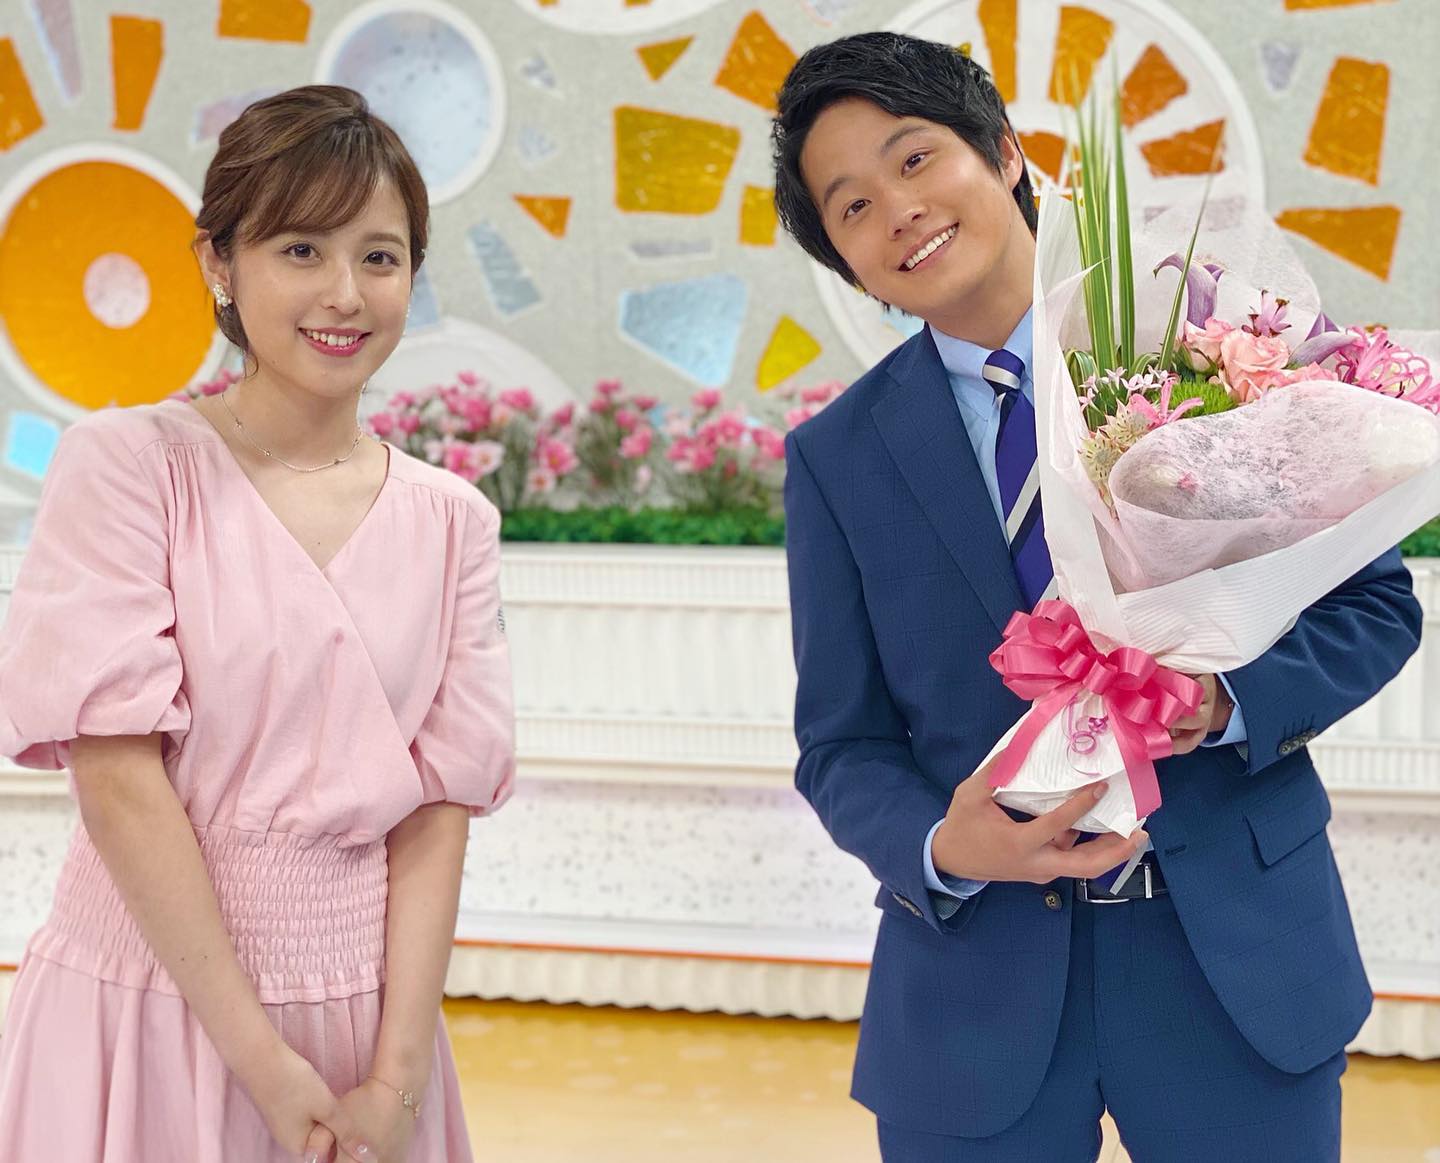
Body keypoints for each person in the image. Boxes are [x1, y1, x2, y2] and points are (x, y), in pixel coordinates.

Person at [772, 32, 1421, 1162]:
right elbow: (840, 743)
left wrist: (1224, 703)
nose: (899, 211)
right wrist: (941, 843)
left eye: (916, 159)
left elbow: (1375, 606)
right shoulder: (838, 458)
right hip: (976, 991)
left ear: (1004, 153)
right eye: (853, 206)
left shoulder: (1217, 345)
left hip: (1235, 967)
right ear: (848, 262)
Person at [0, 85, 514, 1162]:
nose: (345, 293)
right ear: (220, 263)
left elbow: (437, 811)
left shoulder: (453, 520)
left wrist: (398, 1081)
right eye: (300, 249)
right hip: (145, 1000)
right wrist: (264, 1066)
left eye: (380, 256)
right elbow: (118, 778)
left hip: (367, 1027)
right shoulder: (128, 467)